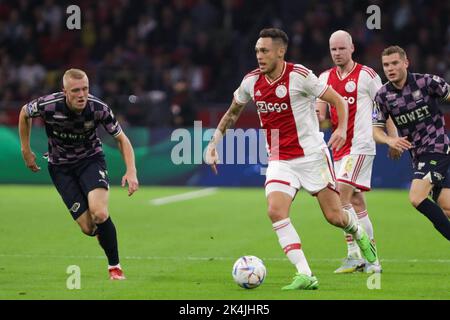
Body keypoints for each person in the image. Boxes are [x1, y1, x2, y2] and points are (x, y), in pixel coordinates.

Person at [205, 28, 378, 290]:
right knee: (275, 211)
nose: (259, 56)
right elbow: (232, 113)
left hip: (313, 158)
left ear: (280, 51)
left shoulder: (300, 76)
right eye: (256, 51)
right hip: (280, 160)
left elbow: (338, 99)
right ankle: (305, 274)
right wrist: (213, 144)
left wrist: (341, 128)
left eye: (264, 51)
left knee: (335, 217)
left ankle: (357, 231)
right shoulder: (251, 81)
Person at [18, 68, 139, 280]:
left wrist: (131, 170)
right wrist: (26, 150)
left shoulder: (98, 108)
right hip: (60, 167)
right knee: (88, 228)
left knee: (99, 212)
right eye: (76, 90)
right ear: (64, 91)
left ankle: (115, 268)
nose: (82, 95)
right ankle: (102, 233)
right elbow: (24, 113)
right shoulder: (48, 105)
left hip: (90, 160)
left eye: (85, 89)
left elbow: (122, 139)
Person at [316, 30, 397, 274]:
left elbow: (386, 107)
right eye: (333, 49)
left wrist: (392, 137)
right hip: (339, 149)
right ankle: (362, 258)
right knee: (355, 202)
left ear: (352, 48)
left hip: (360, 146)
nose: (337, 53)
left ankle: (362, 257)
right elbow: (321, 116)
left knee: (339, 197)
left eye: (342, 48)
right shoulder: (324, 77)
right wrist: (316, 117)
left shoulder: (366, 75)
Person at [373, 45, 450, 241]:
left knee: (416, 197)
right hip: (418, 155)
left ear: (406, 63)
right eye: (386, 65)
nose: (390, 68)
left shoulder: (427, 82)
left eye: (395, 63)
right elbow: (375, 130)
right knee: (447, 207)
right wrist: (391, 140)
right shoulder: (383, 96)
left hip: (437, 147)